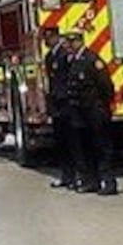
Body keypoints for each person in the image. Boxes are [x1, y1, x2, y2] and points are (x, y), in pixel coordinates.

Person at [65, 30, 118, 195]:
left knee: (102, 148)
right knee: (86, 148)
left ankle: (109, 182)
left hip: (95, 111)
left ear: (78, 42)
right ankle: (91, 181)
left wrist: (102, 106)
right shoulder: (74, 60)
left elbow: (105, 86)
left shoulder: (92, 60)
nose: (68, 46)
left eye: (70, 42)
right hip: (81, 113)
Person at [45, 30, 80, 191]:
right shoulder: (50, 56)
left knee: (74, 143)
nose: (47, 40)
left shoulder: (64, 56)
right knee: (62, 144)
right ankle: (67, 176)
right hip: (58, 106)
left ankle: (76, 177)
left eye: (50, 37)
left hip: (67, 105)